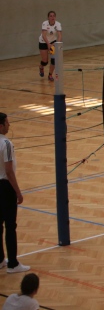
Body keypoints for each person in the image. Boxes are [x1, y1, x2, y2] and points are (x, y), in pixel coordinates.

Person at [0, 113, 30, 274]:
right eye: (7, 122)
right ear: (1, 126)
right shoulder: (6, 143)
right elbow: (9, 170)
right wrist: (18, 192)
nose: (9, 125)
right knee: (10, 226)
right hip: (5, 187)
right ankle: (13, 263)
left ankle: (0, 260)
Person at [38, 10, 62, 82]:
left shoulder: (58, 24)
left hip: (53, 41)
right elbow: (44, 35)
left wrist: (56, 44)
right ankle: (41, 66)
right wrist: (48, 44)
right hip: (43, 41)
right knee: (45, 61)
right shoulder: (45, 23)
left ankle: (50, 75)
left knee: (54, 60)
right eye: (51, 16)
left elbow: (60, 36)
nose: (52, 17)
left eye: (54, 16)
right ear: (48, 17)